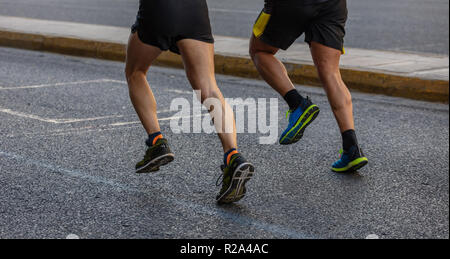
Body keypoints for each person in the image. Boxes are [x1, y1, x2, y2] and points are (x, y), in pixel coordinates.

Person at [125, 0, 254, 204]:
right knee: (209, 86)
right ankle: (233, 156)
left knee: (135, 72)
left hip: (159, 8)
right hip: (195, 10)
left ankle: (157, 141)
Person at [249, 0, 368, 172]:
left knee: (260, 51)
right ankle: (352, 148)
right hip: (333, 4)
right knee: (331, 73)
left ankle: (297, 104)